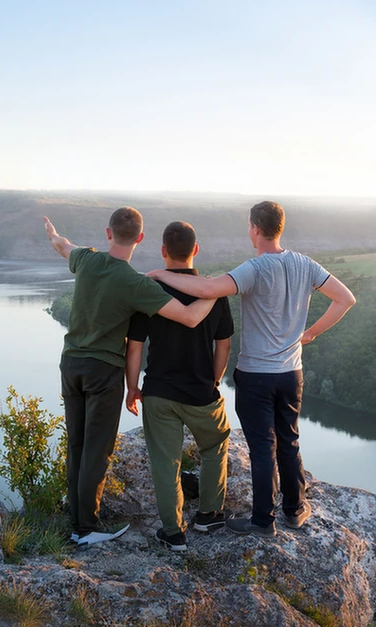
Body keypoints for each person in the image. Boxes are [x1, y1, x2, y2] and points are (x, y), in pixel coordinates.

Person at [146, 201, 356, 537]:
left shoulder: (253, 269)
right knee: (289, 441)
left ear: (255, 229)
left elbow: (207, 290)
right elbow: (345, 299)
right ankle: (294, 510)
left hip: (256, 375)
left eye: (249, 226)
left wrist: (160, 274)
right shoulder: (305, 264)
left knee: (262, 447)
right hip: (291, 373)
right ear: (280, 228)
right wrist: (311, 333)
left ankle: (262, 521)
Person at [44, 208, 216, 547]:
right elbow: (189, 317)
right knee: (97, 449)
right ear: (140, 238)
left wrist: (52, 233)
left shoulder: (86, 259)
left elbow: (62, 245)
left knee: (76, 444)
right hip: (103, 372)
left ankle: (77, 520)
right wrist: (215, 292)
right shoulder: (136, 284)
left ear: (108, 233)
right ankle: (85, 528)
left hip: (71, 364)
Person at [124, 221, 234, 552]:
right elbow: (224, 345)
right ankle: (208, 515)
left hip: (159, 391)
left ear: (163, 251)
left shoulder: (149, 290)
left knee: (165, 462)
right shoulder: (212, 291)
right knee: (214, 446)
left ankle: (173, 533)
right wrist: (214, 379)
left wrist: (132, 387)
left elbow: (134, 347)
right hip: (201, 392)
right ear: (195, 250)